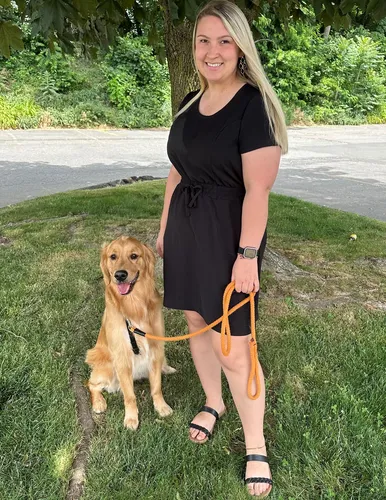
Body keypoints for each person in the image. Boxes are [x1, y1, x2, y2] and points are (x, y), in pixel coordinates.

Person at [156, 0, 288, 497]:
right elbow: (178, 169)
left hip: (230, 239)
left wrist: (248, 255)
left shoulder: (254, 106)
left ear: (240, 47)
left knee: (236, 346)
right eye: (203, 41)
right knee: (194, 319)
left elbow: (259, 190)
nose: (212, 52)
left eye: (224, 41)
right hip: (189, 233)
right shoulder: (191, 100)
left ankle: (255, 445)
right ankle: (213, 401)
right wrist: (166, 227)